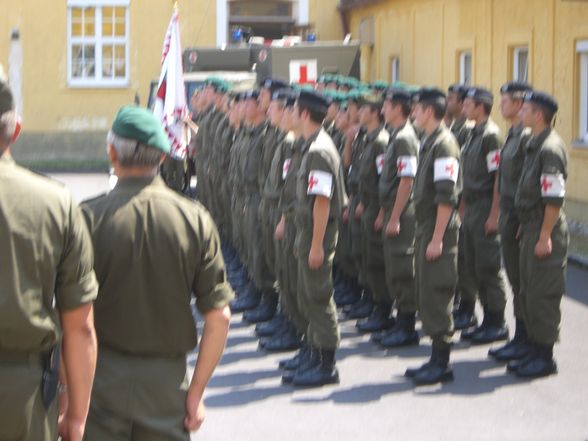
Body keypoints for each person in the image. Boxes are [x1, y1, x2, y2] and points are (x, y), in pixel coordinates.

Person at [82, 106, 233, 439]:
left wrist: (67, 396)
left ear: (111, 152)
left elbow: (72, 318)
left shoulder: (86, 219)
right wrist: (195, 393)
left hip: (99, 383)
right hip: (167, 386)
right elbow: (219, 316)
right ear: (163, 157)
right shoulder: (194, 220)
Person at [0, 77, 99, 441]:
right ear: (16, 129)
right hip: (24, 397)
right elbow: (81, 327)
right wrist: (76, 415)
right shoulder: (57, 203)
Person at [289, 90, 348, 387]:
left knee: (319, 297)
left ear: (303, 114)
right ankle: (314, 354)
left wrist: (316, 246)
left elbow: (322, 202)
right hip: (309, 233)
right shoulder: (313, 145)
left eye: (294, 109)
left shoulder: (319, 152)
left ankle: (326, 365)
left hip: (318, 235)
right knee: (308, 296)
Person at [509, 91, 568, 378]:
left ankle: (545, 357)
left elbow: (553, 198)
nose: (521, 112)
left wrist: (545, 235)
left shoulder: (550, 149)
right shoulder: (535, 143)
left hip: (545, 230)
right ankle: (533, 348)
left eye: (527, 109)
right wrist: (526, 224)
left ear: (539, 115)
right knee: (528, 291)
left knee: (542, 293)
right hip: (532, 226)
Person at [405, 87, 461, 385]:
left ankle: (442, 362)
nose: (413, 112)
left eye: (417, 108)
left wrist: (438, 238)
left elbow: (446, 197)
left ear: (429, 111)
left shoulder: (445, 145)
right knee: (426, 293)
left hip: (439, 230)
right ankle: (435, 357)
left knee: (438, 294)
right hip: (426, 227)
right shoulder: (430, 142)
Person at [459, 87, 509, 344]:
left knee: (489, 267)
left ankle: (497, 321)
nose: (464, 107)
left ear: (481, 107)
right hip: (472, 208)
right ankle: (486, 318)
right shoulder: (473, 133)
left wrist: (494, 214)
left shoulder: (491, 136)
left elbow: (497, 177)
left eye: (468, 103)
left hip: (486, 206)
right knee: (474, 265)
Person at [488, 81, 533, 362]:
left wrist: (521, 220)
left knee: (523, 281)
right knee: (516, 280)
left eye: (505, 101)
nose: (501, 105)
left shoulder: (527, 138)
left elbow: (528, 185)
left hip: (519, 217)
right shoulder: (512, 135)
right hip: (508, 214)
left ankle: (526, 337)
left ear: (518, 105)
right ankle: (520, 336)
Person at [374, 88, 420, 348]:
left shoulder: (404, 138)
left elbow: (407, 180)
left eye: (387, 106)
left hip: (402, 211)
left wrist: (395, 216)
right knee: (394, 268)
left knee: (402, 270)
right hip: (393, 208)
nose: (383, 110)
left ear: (399, 108)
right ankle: (400, 321)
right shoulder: (396, 136)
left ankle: (407, 326)